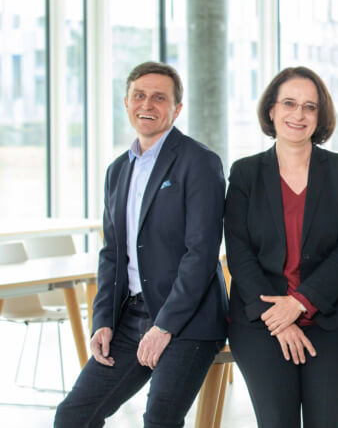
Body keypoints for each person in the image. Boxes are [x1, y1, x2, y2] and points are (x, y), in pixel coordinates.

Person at [54, 61, 228, 427]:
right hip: (130, 317)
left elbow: (201, 254)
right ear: (127, 101)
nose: (147, 104)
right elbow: (112, 253)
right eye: (139, 95)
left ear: (177, 109)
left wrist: (163, 326)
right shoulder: (118, 170)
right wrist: (102, 319)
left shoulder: (199, 163)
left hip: (187, 320)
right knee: (72, 416)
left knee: (159, 419)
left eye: (159, 98)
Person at [225, 66, 338, 428]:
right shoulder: (245, 174)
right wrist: (279, 318)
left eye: (310, 107)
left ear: (320, 117)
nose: (298, 114)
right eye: (289, 103)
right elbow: (239, 252)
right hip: (262, 320)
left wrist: (301, 302)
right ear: (271, 110)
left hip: (333, 318)